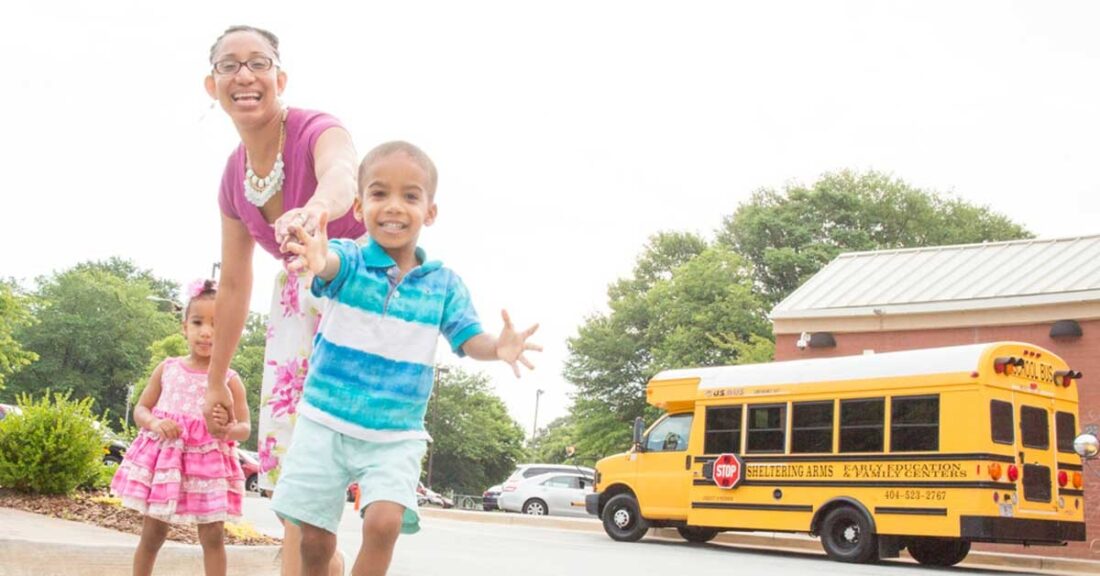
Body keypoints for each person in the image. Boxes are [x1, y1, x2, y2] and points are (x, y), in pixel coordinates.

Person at [271, 141, 540, 576]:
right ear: (359, 206)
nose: (393, 207)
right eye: (379, 194)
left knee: (385, 522)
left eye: (410, 196)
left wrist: (498, 348)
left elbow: (470, 338)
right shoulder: (351, 260)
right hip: (325, 421)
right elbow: (330, 264)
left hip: (395, 435)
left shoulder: (444, 285)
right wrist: (319, 259)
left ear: (429, 211)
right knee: (315, 543)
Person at [200, 24, 363, 576]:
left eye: (258, 63)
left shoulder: (316, 128)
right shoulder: (232, 176)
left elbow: (345, 173)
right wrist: (217, 378)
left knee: (332, 455)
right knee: (293, 467)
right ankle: (308, 562)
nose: (244, 76)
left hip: (354, 289)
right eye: (229, 65)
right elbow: (236, 285)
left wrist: (316, 210)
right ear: (212, 84)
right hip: (294, 306)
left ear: (280, 77)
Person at [110, 280, 250, 576]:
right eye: (198, 322)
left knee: (212, 536)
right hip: (167, 464)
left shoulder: (231, 379)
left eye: (217, 324)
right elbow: (140, 409)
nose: (207, 332)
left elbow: (245, 428)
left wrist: (226, 430)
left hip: (208, 466)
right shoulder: (168, 368)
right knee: (152, 533)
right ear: (184, 327)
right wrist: (155, 423)